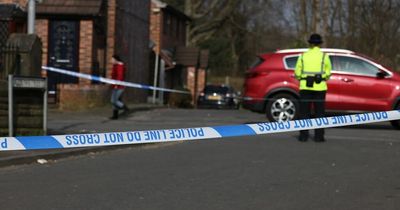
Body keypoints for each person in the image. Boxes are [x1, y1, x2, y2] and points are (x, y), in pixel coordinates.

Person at [294, 33, 332, 142]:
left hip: (305, 87)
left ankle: (303, 136)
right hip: (320, 88)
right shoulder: (325, 56)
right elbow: (328, 73)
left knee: (304, 113)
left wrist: (303, 77)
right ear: (320, 44)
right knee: (319, 113)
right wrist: (322, 77)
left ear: (310, 43)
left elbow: (297, 73)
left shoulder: (302, 56)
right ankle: (319, 137)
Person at [110, 54, 129, 120]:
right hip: (115, 85)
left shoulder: (120, 66)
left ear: (116, 59)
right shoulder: (115, 66)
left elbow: (120, 77)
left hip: (119, 86)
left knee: (113, 100)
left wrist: (116, 85)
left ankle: (124, 108)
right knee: (116, 100)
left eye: (112, 59)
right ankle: (115, 115)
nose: (111, 61)